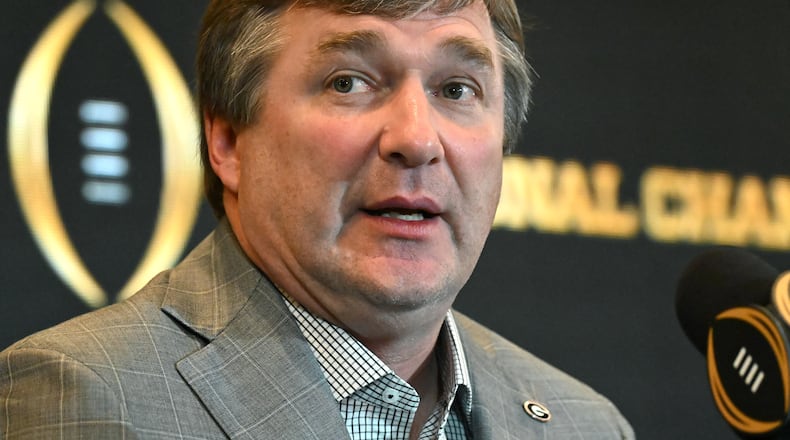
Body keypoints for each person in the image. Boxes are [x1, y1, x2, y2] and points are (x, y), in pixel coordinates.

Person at [0, 0, 634, 438]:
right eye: (348, 82)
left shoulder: (585, 424)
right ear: (228, 141)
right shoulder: (85, 396)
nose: (417, 138)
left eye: (457, 90)